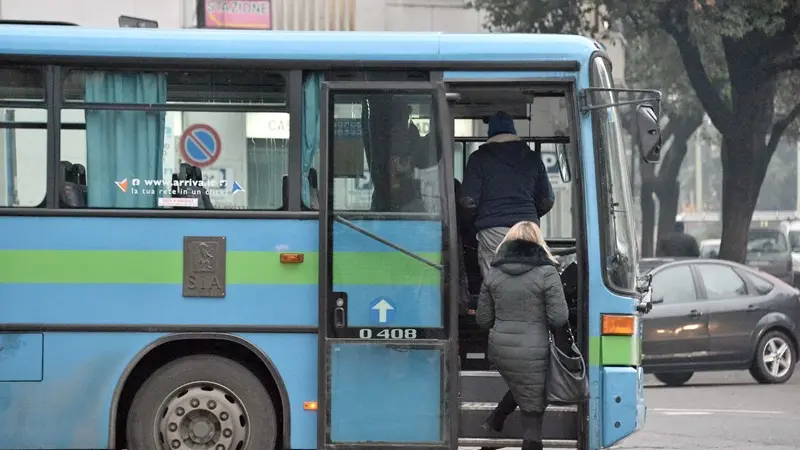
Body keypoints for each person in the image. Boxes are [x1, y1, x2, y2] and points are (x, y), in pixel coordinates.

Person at [475, 221, 569, 450]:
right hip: (534, 347)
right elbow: (559, 318)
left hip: (501, 349)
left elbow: (483, 320)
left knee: (524, 384)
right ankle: (530, 442)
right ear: (539, 242)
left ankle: (495, 422)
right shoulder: (547, 273)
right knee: (533, 402)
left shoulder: (494, 273)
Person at [461, 111, 556, 278]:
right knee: (530, 279)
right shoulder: (532, 158)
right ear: (513, 132)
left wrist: (476, 220)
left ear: (490, 133)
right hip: (528, 230)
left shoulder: (478, 158)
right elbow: (547, 200)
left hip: (492, 229)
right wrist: (528, 215)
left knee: (495, 282)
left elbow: (468, 200)